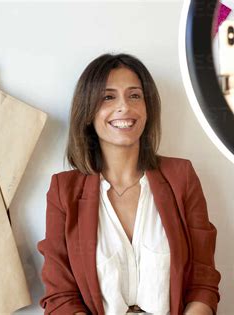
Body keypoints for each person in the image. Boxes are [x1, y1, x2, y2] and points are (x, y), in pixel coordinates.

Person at [37, 53, 221, 315]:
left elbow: (203, 281)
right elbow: (60, 297)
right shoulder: (63, 190)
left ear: (147, 108)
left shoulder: (182, 176)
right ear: (88, 112)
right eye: (108, 97)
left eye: (134, 95)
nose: (124, 107)